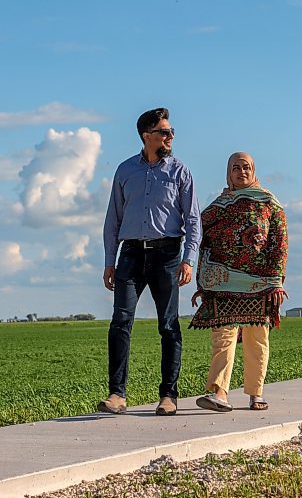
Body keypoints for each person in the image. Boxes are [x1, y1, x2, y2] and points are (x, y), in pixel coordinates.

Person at [98, 107, 201, 416]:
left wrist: (188, 260)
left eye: (170, 132)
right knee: (120, 322)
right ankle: (117, 395)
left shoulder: (180, 171)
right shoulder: (125, 170)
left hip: (168, 255)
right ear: (147, 136)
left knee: (168, 325)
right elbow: (112, 219)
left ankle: (168, 396)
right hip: (130, 254)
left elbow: (193, 219)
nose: (170, 137)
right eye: (164, 132)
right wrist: (109, 261)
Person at [190, 152, 288, 412]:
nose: (241, 172)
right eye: (235, 168)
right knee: (222, 338)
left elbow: (280, 242)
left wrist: (276, 280)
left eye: (245, 167)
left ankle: (256, 393)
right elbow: (200, 236)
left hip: (260, 284)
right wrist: (204, 281)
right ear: (228, 173)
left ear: (254, 171)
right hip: (224, 284)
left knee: (257, 340)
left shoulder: (270, 203)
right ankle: (219, 393)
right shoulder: (219, 205)